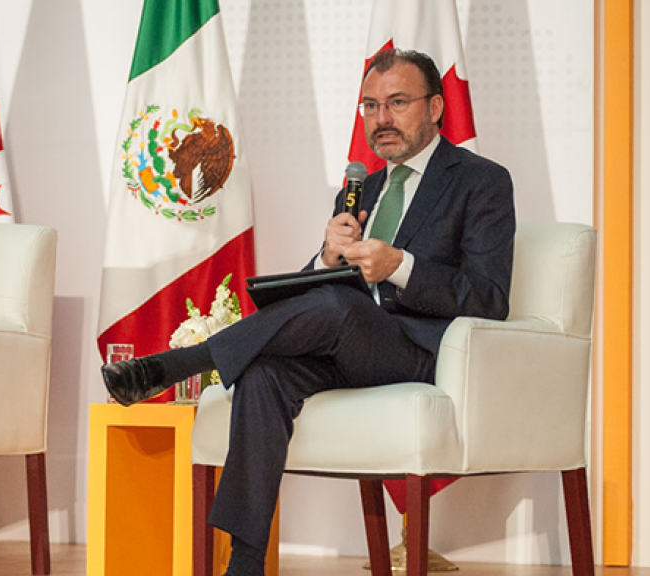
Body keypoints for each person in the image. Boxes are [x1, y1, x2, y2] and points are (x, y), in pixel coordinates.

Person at [102, 49, 515, 576]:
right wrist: (327, 257)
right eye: (369, 106)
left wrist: (400, 266)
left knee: (339, 306)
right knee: (265, 374)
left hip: (420, 351)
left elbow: (489, 298)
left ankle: (181, 362)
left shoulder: (481, 180)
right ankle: (246, 563)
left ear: (435, 107)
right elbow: (318, 293)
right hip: (347, 342)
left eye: (397, 103)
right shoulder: (362, 187)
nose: (381, 119)